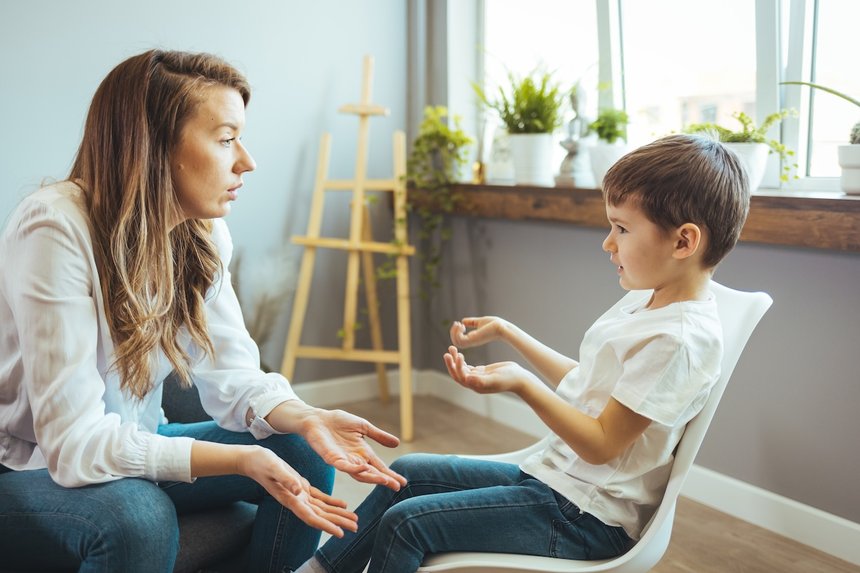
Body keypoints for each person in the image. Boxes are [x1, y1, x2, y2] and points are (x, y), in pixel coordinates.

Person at [0, 49, 407, 573]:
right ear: (153, 147)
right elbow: (75, 445)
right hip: (29, 468)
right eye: (225, 138)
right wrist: (240, 457)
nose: (247, 161)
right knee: (139, 517)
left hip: (128, 442)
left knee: (301, 450)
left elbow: (234, 376)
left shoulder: (201, 231)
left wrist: (307, 418)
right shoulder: (55, 227)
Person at [295, 133, 750, 573]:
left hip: (586, 518)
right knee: (408, 474)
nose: (608, 242)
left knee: (407, 524)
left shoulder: (680, 339)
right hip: (555, 483)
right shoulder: (649, 298)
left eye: (622, 229)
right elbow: (591, 385)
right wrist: (511, 334)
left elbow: (601, 443)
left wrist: (522, 383)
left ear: (684, 242)